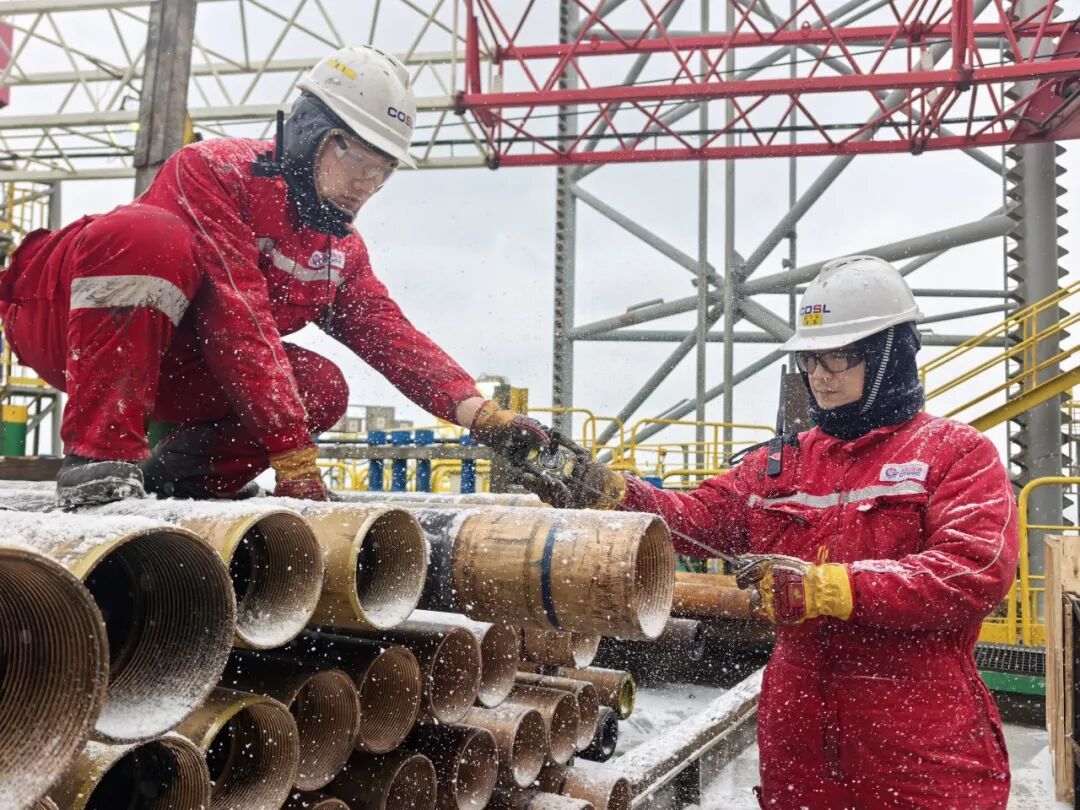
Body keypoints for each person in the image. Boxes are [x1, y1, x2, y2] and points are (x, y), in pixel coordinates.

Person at [529, 256, 1018, 809]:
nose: (820, 375)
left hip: (917, 743)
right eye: (810, 359)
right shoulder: (780, 465)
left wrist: (830, 588)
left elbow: (973, 572)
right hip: (800, 740)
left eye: (838, 356)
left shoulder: (955, 454)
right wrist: (609, 493)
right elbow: (695, 518)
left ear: (889, 356)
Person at [0, 45, 549, 506]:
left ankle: (180, 486)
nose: (365, 185)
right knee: (150, 236)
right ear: (314, 132)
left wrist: (481, 414)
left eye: (381, 173)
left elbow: (388, 333)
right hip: (61, 322)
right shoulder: (215, 171)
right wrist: (293, 456)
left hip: (172, 366)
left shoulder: (338, 250)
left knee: (322, 388)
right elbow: (238, 316)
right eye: (357, 160)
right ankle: (100, 462)